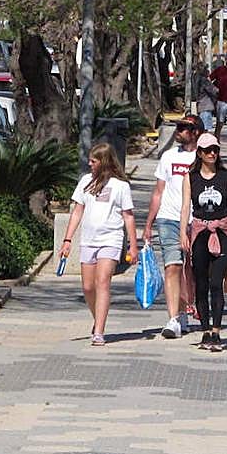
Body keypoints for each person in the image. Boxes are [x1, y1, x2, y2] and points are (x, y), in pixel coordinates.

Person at [179, 133, 227, 352]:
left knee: (216, 283)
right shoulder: (190, 177)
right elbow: (185, 207)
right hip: (200, 231)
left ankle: (217, 331)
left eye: (215, 150)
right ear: (199, 153)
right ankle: (205, 331)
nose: (212, 154)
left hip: (223, 231)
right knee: (200, 283)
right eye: (208, 150)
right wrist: (183, 232)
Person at [61, 143, 137, 346]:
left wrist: (133, 245)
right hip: (89, 240)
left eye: (93, 161)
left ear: (103, 162)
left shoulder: (120, 186)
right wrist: (67, 239)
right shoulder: (86, 181)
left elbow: (128, 217)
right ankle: (97, 319)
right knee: (87, 287)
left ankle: (99, 331)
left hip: (110, 239)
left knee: (103, 281)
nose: (89, 164)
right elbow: (77, 211)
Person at [142, 115, 203, 339]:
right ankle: (173, 319)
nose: (178, 131)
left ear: (196, 132)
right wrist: (149, 224)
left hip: (196, 220)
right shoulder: (168, 156)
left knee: (193, 268)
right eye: (178, 127)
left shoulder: (204, 156)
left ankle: (187, 309)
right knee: (173, 266)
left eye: (184, 128)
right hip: (168, 218)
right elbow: (158, 191)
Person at [192, 64, 219, 133]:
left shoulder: (195, 78)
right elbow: (213, 90)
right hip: (205, 105)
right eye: (207, 70)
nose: (208, 71)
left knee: (201, 125)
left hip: (200, 105)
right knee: (205, 127)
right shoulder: (204, 80)